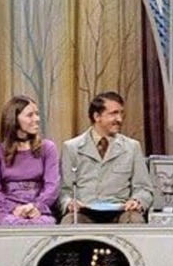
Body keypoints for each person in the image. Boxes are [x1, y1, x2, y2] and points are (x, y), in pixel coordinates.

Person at [59, 91, 154, 224]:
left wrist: (137, 201)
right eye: (114, 113)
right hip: (85, 212)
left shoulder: (132, 147)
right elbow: (64, 191)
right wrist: (69, 202)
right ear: (97, 116)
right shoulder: (71, 148)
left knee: (134, 220)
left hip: (121, 212)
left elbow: (144, 188)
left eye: (121, 113)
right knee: (70, 221)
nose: (119, 119)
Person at [0, 95, 59, 225]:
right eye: (30, 115)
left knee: (44, 225)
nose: (37, 119)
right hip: (7, 211)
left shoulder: (48, 148)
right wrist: (14, 208)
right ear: (14, 120)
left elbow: (52, 186)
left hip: (38, 209)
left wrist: (38, 206)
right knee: (14, 225)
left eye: (37, 114)